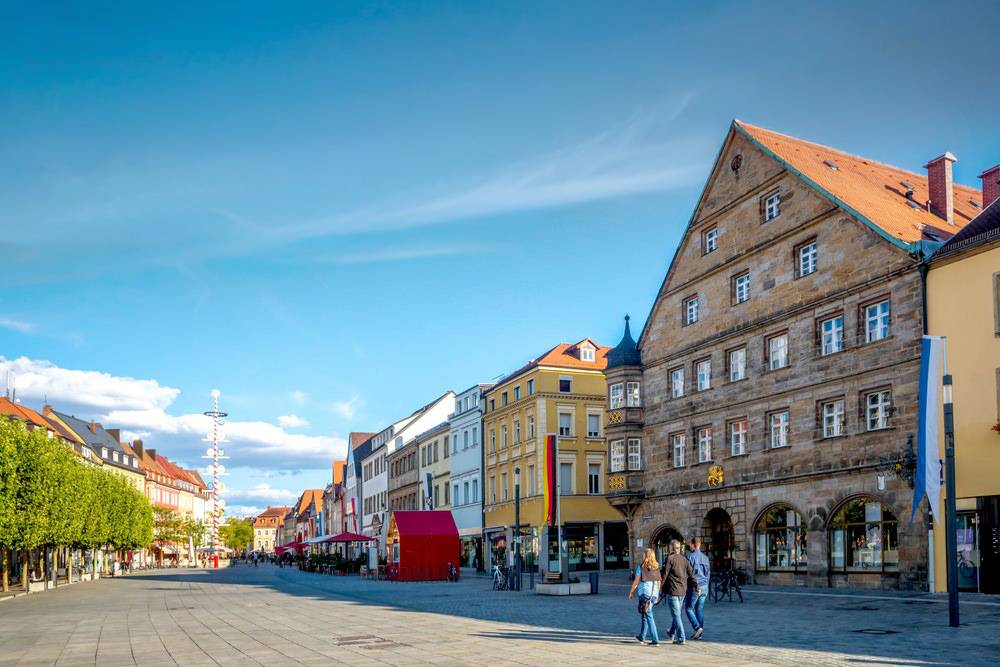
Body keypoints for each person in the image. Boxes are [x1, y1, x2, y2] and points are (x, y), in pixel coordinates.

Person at [662, 539, 700, 644]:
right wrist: (697, 586)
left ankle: (681, 638)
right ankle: (671, 631)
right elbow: (692, 575)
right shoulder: (684, 559)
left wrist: (660, 589)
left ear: (671, 548)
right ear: (679, 548)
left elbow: (664, 575)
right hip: (683, 591)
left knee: (676, 615)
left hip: (673, 591)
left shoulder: (669, 559)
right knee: (677, 613)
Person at [628, 548, 662, 645]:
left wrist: (631, 592)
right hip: (653, 594)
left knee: (648, 615)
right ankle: (642, 636)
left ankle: (655, 640)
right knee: (644, 613)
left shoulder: (641, 567)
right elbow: (659, 581)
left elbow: (636, 581)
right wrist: (658, 593)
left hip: (645, 594)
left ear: (646, 556)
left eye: (644, 554)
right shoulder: (656, 567)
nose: (642, 556)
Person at [686, 537, 710, 640]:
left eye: (690, 545)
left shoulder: (690, 557)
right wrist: (707, 585)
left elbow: (688, 574)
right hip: (705, 586)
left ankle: (697, 627)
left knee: (688, 608)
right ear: (699, 545)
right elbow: (708, 574)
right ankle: (700, 633)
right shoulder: (705, 558)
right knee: (699, 609)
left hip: (695, 586)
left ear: (693, 545)